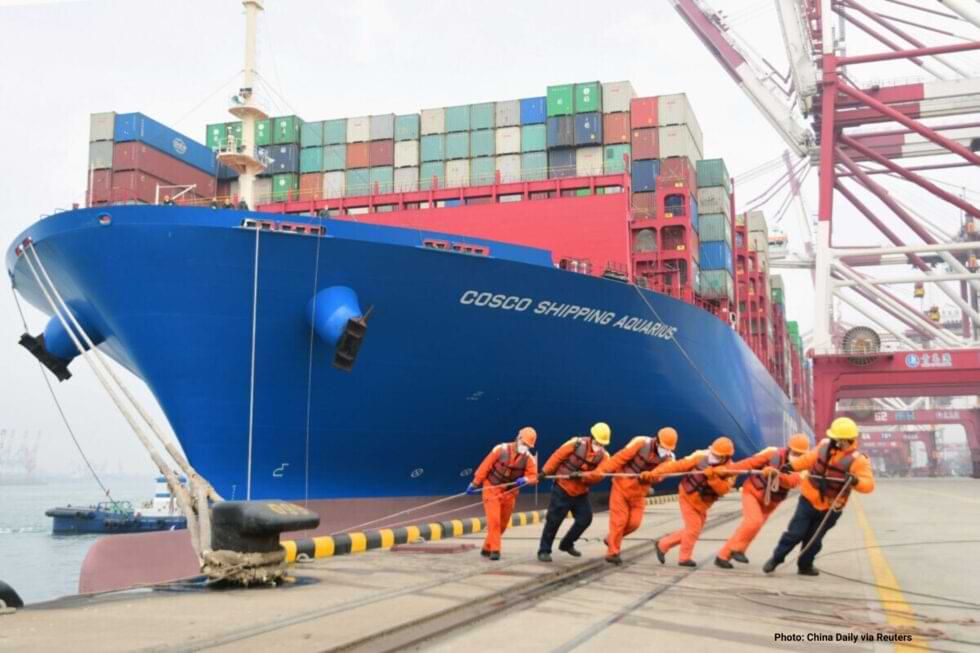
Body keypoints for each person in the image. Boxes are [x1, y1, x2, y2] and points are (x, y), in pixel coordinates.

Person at [764, 417, 875, 576]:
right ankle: (776, 559)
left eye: (836, 438)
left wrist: (856, 480)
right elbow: (808, 459)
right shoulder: (823, 447)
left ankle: (805, 566)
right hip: (808, 500)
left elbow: (869, 485)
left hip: (831, 507)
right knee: (795, 533)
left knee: (814, 540)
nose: (833, 440)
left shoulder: (859, 461)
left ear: (845, 441)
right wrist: (791, 466)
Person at [656, 436, 772, 566]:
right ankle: (684, 558)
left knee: (692, 530)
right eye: (713, 453)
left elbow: (723, 490)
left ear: (725, 457)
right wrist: (657, 472)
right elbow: (679, 466)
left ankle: (663, 544)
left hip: (703, 504)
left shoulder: (731, 470)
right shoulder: (700, 456)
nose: (713, 456)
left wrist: (713, 478)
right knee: (693, 529)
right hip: (687, 496)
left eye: (717, 455)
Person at [598, 427, 702, 565]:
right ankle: (613, 553)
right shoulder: (640, 443)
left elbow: (661, 476)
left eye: (669, 448)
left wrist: (650, 477)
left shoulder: (670, 458)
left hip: (639, 493)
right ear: (657, 440)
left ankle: (611, 539)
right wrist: (601, 471)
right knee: (619, 522)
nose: (667, 451)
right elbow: (619, 458)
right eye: (665, 447)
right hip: (620, 488)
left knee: (635, 523)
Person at [714, 434, 810, 569]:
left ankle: (722, 556)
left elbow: (792, 482)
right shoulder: (772, 454)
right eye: (795, 452)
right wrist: (726, 471)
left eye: (800, 454)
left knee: (752, 527)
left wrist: (777, 474)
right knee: (753, 521)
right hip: (752, 491)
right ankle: (738, 550)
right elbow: (749, 463)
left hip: (771, 502)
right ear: (789, 449)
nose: (797, 456)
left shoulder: (803, 467)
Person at [537, 422, 611, 562]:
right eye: (598, 442)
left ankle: (566, 544)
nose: (599, 446)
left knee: (585, 518)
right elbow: (557, 456)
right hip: (562, 488)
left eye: (602, 444)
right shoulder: (575, 443)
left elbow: (599, 475)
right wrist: (544, 471)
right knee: (553, 520)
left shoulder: (605, 456)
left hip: (580, 492)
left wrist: (583, 476)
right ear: (592, 437)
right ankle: (544, 550)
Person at [467, 427, 539, 560]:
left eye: (528, 446)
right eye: (524, 444)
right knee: (494, 521)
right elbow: (485, 466)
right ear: (518, 439)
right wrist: (475, 483)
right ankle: (495, 551)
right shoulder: (500, 449)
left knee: (503, 523)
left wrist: (526, 479)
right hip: (492, 488)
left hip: (510, 493)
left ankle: (487, 548)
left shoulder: (529, 459)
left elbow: (534, 477)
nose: (525, 447)